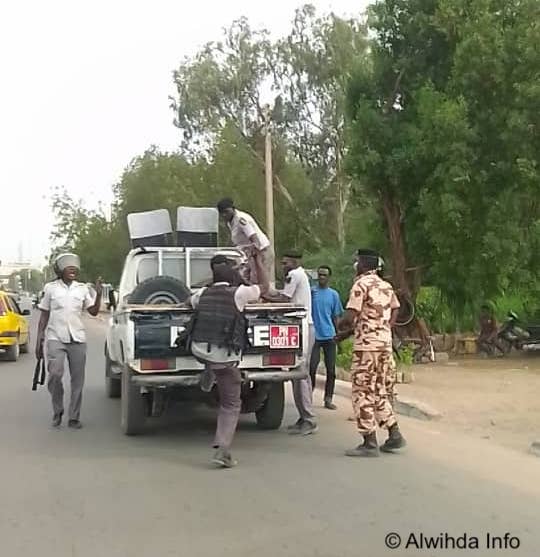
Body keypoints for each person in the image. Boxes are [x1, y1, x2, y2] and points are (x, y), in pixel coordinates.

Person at [188, 252, 269, 468]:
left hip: (199, 350)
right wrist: (259, 263)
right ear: (232, 275)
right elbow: (265, 287)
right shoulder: (239, 294)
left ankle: (208, 373)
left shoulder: (202, 293)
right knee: (231, 403)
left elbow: (188, 302)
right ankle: (222, 450)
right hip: (225, 357)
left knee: (211, 359)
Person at [336, 249, 406, 457]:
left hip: (367, 348)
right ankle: (394, 435)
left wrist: (340, 325)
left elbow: (351, 316)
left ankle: (369, 441)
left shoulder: (361, 284)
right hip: (384, 345)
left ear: (363, 264)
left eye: (356, 261)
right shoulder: (385, 285)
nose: (355, 265)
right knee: (379, 390)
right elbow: (395, 308)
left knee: (362, 391)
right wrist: (385, 328)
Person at [36, 253, 102, 429]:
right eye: (67, 265)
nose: (72, 267)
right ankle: (57, 410)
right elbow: (44, 315)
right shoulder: (50, 288)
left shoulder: (82, 289)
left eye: (74, 265)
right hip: (55, 337)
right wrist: (39, 339)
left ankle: (74, 417)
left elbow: (93, 312)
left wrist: (99, 295)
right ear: (59, 269)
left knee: (77, 380)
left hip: (77, 338)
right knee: (55, 375)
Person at [263, 251, 317, 435]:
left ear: (294, 262)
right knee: (301, 374)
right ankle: (305, 417)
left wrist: (264, 297)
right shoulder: (300, 275)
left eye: (285, 262)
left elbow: (284, 299)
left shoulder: (294, 275)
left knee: (300, 374)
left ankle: (308, 419)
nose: (283, 265)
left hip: (302, 327)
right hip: (305, 326)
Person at [309, 265, 343, 410]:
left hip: (329, 336)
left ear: (329, 277)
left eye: (324, 275)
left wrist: (338, 336)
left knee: (331, 370)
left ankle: (328, 399)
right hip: (314, 336)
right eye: (320, 274)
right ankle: (308, 397)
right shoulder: (312, 292)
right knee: (311, 368)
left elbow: (335, 316)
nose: (322, 277)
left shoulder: (333, 295)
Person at [216, 198, 274, 283]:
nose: (224, 215)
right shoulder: (230, 222)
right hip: (248, 255)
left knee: (258, 282)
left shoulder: (241, 219)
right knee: (246, 280)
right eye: (222, 213)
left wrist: (256, 260)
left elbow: (255, 240)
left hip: (261, 252)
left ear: (233, 209)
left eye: (226, 211)